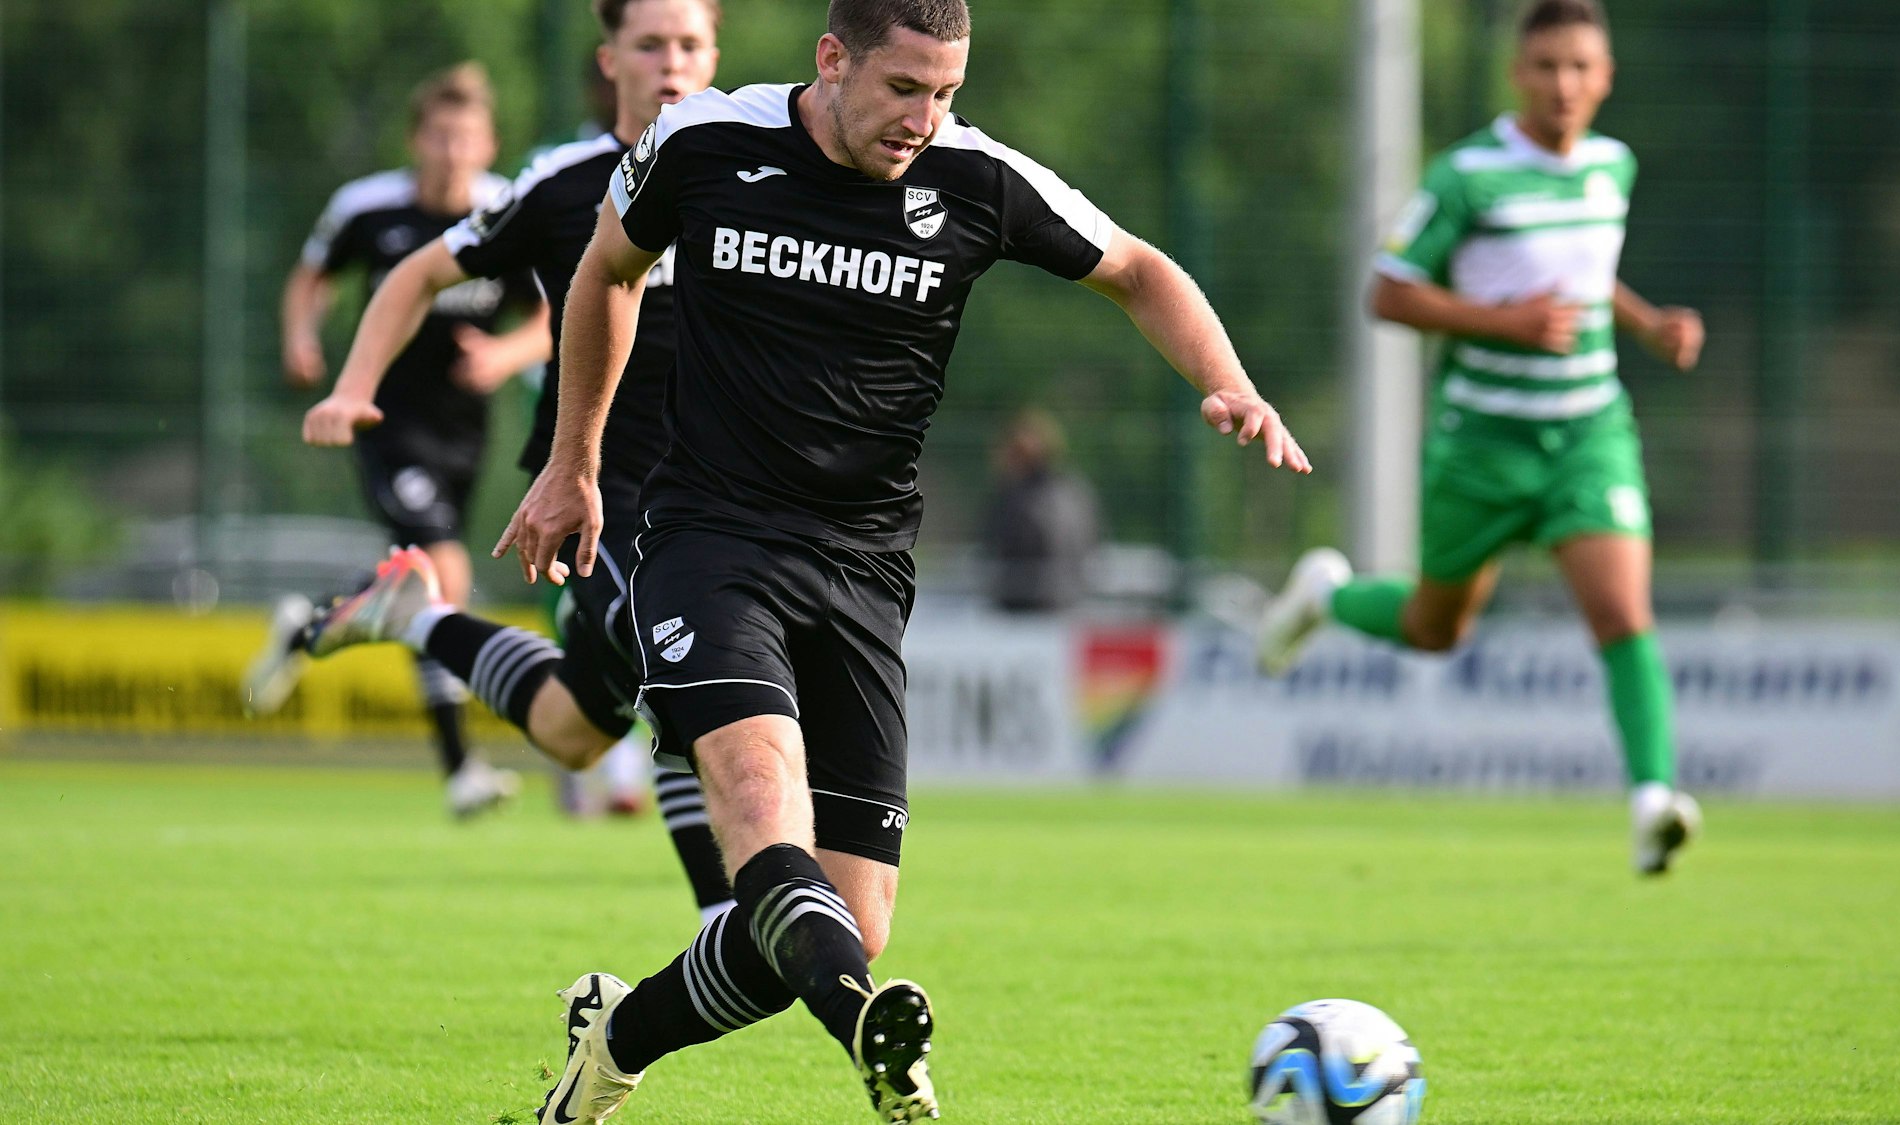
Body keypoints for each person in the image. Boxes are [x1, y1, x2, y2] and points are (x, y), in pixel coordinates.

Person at [412, 0, 1310, 1119]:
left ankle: (614, 1042)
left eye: (946, 93)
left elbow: (1136, 268)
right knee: (755, 811)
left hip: (864, 572)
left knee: (845, 920)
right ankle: (870, 1048)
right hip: (708, 545)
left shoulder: (977, 180)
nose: (925, 119)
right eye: (903, 89)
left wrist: (1225, 380)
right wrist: (572, 462)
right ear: (832, 59)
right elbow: (604, 274)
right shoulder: (704, 141)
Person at [265, 0, 735, 919]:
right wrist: (353, 383)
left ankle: (414, 618)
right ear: (611, 61)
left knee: (568, 730)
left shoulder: (764, 172)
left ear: (715, 54)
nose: (670, 61)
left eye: (689, 43)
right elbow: (416, 274)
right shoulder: (564, 184)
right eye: (650, 44)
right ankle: (726, 918)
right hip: (602, 499)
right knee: (675, 668)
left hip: (724, 501)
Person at [1258, 0, 1705, 876]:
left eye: (1581, 67)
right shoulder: (1469, 174)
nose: (1564, 85)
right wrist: (1501, 322)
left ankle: (1654, 801)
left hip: (1587, 434)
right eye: (1547, 66)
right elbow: (1389, 291)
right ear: (1518, 73)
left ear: (1606, 77)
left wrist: (1649, 325)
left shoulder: (1613, 167)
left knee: (1622, 614)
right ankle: (1326, 597)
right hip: (1483, 442)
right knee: (1434, 628)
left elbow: (1587, 275)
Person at [254, 61, 546, 817]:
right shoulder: (368, 207)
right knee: (442, 573)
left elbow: (554, 316)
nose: (452, 150)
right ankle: (460, 769)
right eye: (439, 135)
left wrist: (504, 355)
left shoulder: (507, 211)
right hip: (386, 421)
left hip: (467, 429)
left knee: (425, 579)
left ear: (490, 145)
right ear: (417, 140)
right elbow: (310, 278)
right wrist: (301, 337)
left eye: (467, 137)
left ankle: (313, 622)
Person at [981, 407, 1098, 613]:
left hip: (1032, 607)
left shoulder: (1021, 501)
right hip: (1072, 602)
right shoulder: (1075, 490)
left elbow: (1007, 560)